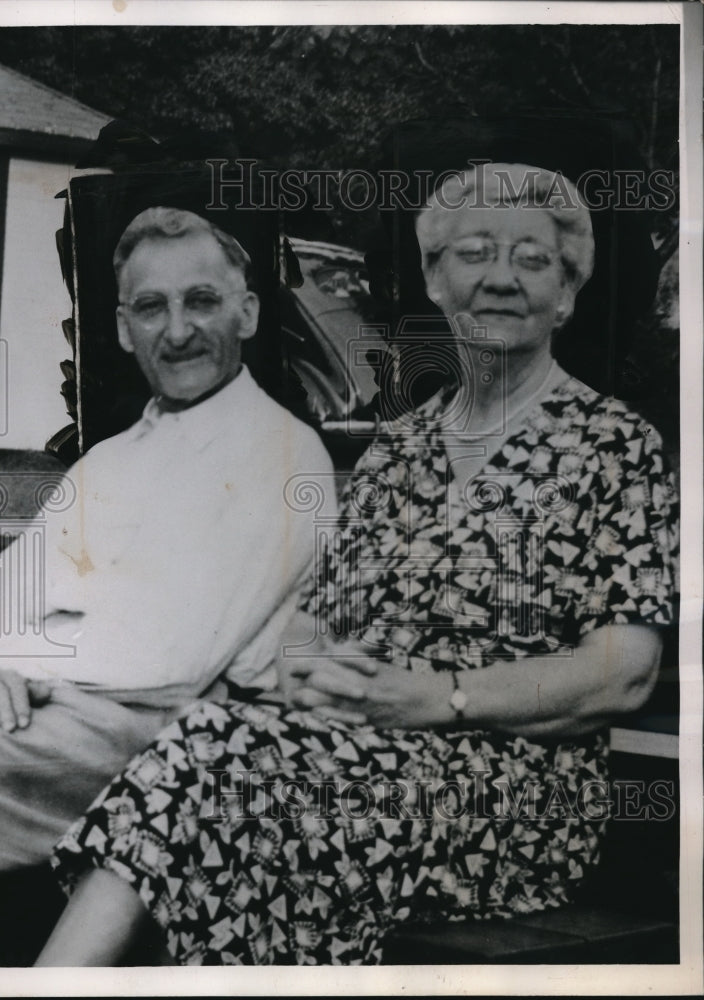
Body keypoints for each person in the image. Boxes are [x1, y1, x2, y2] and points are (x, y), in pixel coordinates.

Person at [36, 163, 678, 966]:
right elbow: (315, 620)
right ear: (438, 283)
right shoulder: (398, 452)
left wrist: (441, 698)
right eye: (476, 253)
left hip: (512, 794)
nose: (502, 279)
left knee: (228, 770)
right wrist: (310, 669)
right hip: (350, 757)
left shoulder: (613, 445)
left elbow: (624, 671)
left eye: (533, 259)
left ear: (567, 294)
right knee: (219, 762)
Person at [0, 207, 336, 873]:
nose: (179, 330)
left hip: (174, 742)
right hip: (64, 708)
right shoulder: (108, 461)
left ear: (246, 314)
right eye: (151, 307)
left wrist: (15, 663)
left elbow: (166, 655)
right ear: (124, 330)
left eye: (201, 301)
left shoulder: (282, 453)